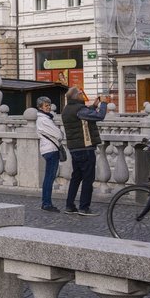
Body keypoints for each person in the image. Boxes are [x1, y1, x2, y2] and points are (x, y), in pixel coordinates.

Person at [60, 87, 108, 216]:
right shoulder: (79, 109)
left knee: (76, 177)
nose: (83, 95)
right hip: (85, 148)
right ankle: (84, 207)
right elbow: (99, 116)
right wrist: (103, 103)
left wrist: (93, 106)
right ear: (76, 96)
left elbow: (84, 116)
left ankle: (69, 206)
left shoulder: (67, 109)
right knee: (88, 178)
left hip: (75, 148)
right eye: (81, 93)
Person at [35, 96, 64, 212]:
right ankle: (46, 203)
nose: (48, 107)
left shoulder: (46, 118)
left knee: (49, 177)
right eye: (46, 106)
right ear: (40, 107)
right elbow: (59, 134)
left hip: (50, 149)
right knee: (49, 178)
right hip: (50, 150)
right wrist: (60, 133)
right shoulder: (44, 119)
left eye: (49, 105)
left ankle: (46, 202)